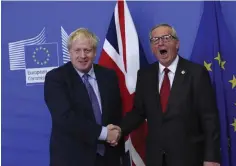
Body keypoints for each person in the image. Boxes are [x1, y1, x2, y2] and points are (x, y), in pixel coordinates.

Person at [117, 24, 221, 166]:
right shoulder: (145, 75)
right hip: (156, 158)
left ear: (177, 44)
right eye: (155, 40)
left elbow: (209, 118)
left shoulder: (196, 73)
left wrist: (211, 157)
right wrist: (119, 130)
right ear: (152, 48)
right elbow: (139, 112)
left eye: (166, 38)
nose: (160, 43)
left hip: (189, 158)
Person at [44, 28, 124, 166]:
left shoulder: (109, 76)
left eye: (87, 50)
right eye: (77, 50)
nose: (82, 55)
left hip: (108, 158)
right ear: (69, 52)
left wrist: (116, 132)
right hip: (72, 158)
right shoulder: (56, 78)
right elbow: (65, 118)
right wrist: (105, 133)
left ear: (94, 52)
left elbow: (116, 112)